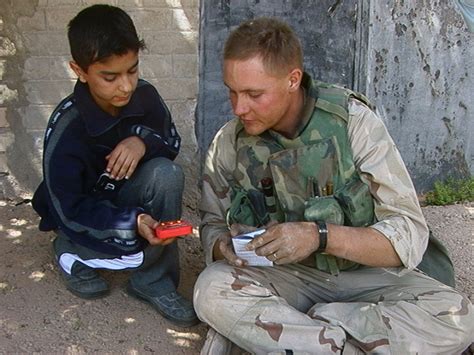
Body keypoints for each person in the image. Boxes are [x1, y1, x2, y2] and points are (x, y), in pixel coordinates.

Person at [194, 17, 473, 353]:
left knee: (458, 316)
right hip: (284, 278)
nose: (239, 107)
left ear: (293, 80)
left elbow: (409, 232)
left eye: (254, 94)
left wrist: (319, 236)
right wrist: (223, 247)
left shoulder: (353, 122)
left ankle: (307, 333)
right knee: (210, 289)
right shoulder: (229, 142)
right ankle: (338, 341)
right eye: (232, 91)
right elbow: (211, 225)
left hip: (365, 276)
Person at [32, 4, 198, 328]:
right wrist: (130, 222)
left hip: (123, 197)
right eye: (110, 77)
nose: (126, 86)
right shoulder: (67, 127)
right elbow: (69, 207)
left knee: (167, 174)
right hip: (80, 212)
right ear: (79, 71)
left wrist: (142, 141)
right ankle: (69, 249)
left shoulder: (145, 96)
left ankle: (152, 280)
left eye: (132, 70)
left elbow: (172, 141)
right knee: (113, 246)